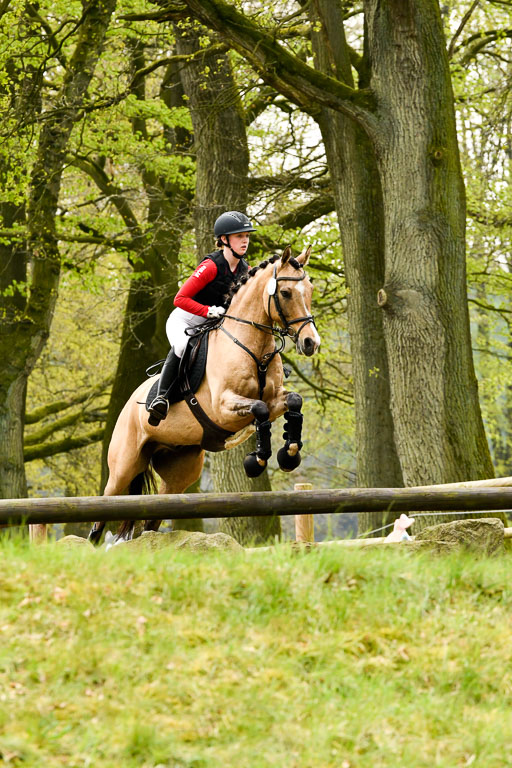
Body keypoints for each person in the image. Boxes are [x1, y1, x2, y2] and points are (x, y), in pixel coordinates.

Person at [147, 210, 256, 425]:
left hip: (213, 325)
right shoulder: (210, 267)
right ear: (224, 240)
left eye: (247, 236)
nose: (245, 241)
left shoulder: (246, 271)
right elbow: (179, 299)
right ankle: (161, 398)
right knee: (182, 347)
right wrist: (207, 311)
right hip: (185, 321)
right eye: (239, 236)